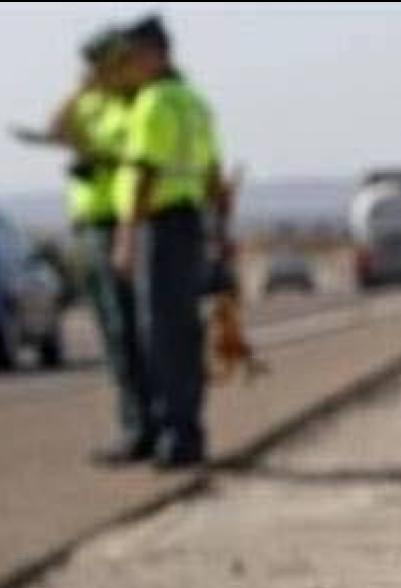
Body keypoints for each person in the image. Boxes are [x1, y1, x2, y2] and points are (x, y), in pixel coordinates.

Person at [12, 26, 153, 463]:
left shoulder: (131, 106)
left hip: (119, 223)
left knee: (129, 331)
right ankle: (137, 424)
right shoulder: (93, 102)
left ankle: (144, 427)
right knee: (115, 334)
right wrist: (80, 90)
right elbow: (56, 128)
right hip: (90, 225)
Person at [112, 15, 231, 468]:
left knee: (160, 335)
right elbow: (213, 173)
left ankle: (174, 434)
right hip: (190, 225)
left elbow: (144, 171)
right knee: (183, 332)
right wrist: (218, 232)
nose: (130, 67)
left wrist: (125, 238)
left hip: (159, 225)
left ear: (152, 54)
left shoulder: (154, 103)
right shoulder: (194, 103)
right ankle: (188, 430)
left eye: (133, 57)